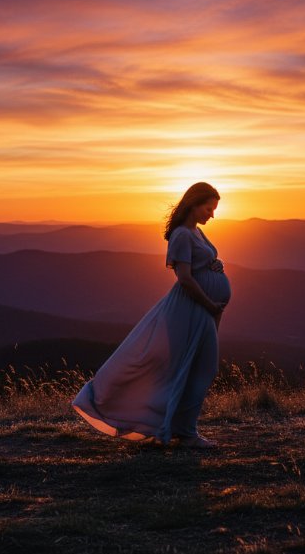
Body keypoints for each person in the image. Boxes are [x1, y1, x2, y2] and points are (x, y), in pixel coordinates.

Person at [71, 182, 230, 449]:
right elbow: (185, 279)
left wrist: (214, 265)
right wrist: (209, 304)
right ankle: (185, 433)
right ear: (193, 203)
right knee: (197, 367)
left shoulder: (196, 232)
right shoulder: (181, 234)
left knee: (198, 367)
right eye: (209, 208)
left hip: (203, 308)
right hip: (191, 307)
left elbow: (199, 265)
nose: (212, 214)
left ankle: (182, 429)